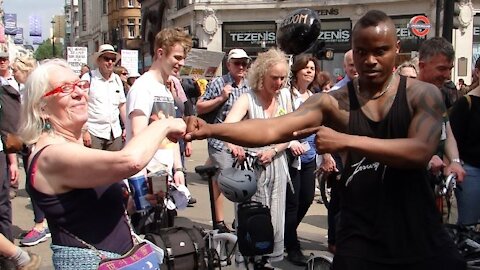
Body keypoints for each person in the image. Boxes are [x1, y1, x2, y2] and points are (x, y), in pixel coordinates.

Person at [186, 10, 466, 269]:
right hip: (361, 233)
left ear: (396, 50)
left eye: (380, 51)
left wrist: (346, 141)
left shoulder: (422, 95)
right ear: (353, 52)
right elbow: (272, 129)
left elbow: (418, 151)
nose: (370, 60)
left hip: (418, 227)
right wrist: (210, 130)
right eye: (362, 51)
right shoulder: (334, 102)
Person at [18, 58, 185, 268]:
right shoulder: (51, 155)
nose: (79, 93)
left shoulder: (73, 149)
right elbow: (130, 161)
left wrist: (134, 204)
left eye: (80, 85)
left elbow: (89, 212)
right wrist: (165, 124)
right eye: (65, 88)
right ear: (41, 108)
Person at [223, 47, 291, 263]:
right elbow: (228, 127)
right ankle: (250, 262)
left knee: (276, 219)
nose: (279, 83)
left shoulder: (285, 98)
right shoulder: (247, 98)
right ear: (262, 74)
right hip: (252, 170)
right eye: (274, 78)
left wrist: (274, 150)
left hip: (278, 164)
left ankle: (269, 261)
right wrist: (235, 145)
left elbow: (290, 134)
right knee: (254, 219)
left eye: (283, 78)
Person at [125, 28, 191, 199]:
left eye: (183, 58)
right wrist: (148, 174)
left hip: (164, 174)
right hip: (145, 177)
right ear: (160, 53)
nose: (181, 63)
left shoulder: (166, 89)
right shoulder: (143, 87)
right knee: (146, 225)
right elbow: (138, 135)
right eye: (177, 57)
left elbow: (173, 136)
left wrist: (178, 168)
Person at [195, 48, 251, 232]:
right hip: (220, 141)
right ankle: (219, 222)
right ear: (228, 65)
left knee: (243, 181)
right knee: (224, 179)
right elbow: (200, 108)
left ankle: (239, 219)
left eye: (244, 63)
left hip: (242, 140)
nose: (241, 66)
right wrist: (221, 98)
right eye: (237, 63)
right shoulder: (220, 83)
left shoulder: (248, 85)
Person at [11, 56, 51, 247]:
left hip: (35, 140)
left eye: (15, 70)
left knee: (34, 183)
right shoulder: (25, 88)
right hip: (29, 140)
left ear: (25, 70)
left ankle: (41, 224)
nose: (13, 73)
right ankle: (43, 221)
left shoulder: (34, 89)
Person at [284, 54, 318, 266]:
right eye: (305, 68)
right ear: (296, 71)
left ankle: (286, 234)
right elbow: (281, 122)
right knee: (292, 204)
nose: (309, 71)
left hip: (311, 156)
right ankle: (292, 246)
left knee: (306, 199)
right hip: (291, 158)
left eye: (313, 68)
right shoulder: (287, 95)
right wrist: (290, 142)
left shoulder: (315, 97)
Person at [417, 37, 466, 182]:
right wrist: (426, 158)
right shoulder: (406, 97)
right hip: (410, 182)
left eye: (449, 69)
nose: (447, 75)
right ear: (422, 66)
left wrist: (455, 161)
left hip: (435, 181)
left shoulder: (439, 95)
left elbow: (448, 133)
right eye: (441, 69)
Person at [450, 58, 480, 225]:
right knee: (468, 225)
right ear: (478, 72)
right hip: (472, 171)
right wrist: (455, 161)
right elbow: (453, 136)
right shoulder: (466, 103)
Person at [81, 44, 127, 150]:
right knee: (94, 165)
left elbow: (122, 105)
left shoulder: (117, 79)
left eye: (113, 59)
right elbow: (81, 105)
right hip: (94, 132)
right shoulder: (88, 78)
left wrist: (126, 127)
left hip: (115, 132)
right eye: (106, 59)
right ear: (99, 61)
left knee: (114, 165)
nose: (110, 62)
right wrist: (84, 131)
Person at [0, 51, 20, 201]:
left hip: (14, 126)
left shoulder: (17, 80)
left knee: (13, 155)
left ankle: (13, 185)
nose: (2, 62)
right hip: (2, 123)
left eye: (4, 59)